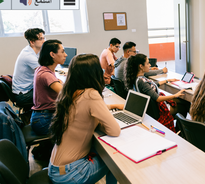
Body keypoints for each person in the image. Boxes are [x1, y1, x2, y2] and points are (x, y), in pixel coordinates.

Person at [48, 54, 123, 184]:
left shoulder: (68, 91)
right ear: (94, 73)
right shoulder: (91, 94)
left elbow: (84, 111)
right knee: (115, 159)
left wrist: (110, 107)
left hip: (55, 168)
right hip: (71, 173)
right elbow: (114, 131)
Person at [124, 54, 184, 129]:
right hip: (158, 111)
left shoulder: (137, 79)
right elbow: (158, 98)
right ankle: (179, 129)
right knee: (184, 105)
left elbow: (150, 86)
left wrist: (167, 80)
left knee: (179, 101)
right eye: (147, 63)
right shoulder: (142, 81)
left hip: (151, 109)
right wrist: (175, 95)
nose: (150, 65)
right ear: (141, 66)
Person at [31, 40, 67, 136]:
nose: (66, 55)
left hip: (41, 117)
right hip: (44, 120)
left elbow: (60, 84)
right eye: (62, 51)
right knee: (79, 128)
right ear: (52, 54)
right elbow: (66, 93)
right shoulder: (46, 74)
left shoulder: (43, 69)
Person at [12, 28, 45, 108]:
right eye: (41, 39)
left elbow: (44, 66)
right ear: (32, 42)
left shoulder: (34, 51)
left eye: (44, 38)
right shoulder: (28, 55)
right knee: (53, 94)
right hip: (23, 95)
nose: (44, 41)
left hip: (28, 89)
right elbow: (44, 73)